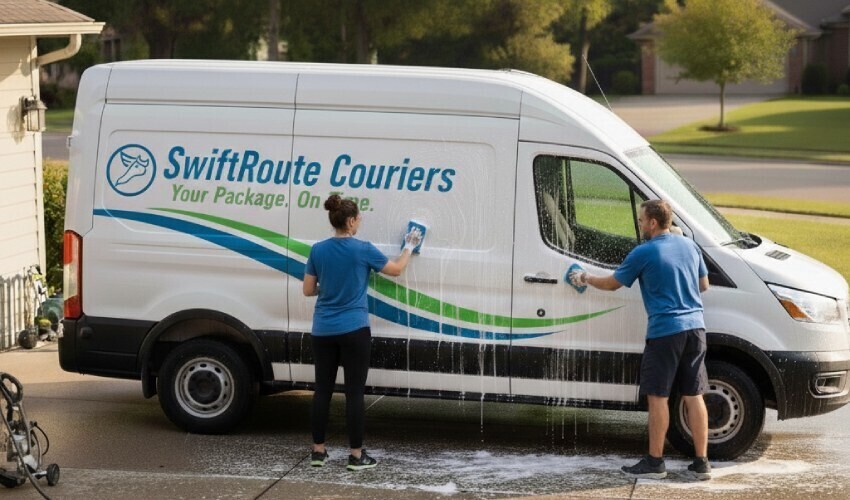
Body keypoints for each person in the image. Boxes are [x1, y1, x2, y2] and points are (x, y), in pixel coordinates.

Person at [569, 199, 711, 480]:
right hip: (696, 329)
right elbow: (704, 285)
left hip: (666, 332)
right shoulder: (690, 246)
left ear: (653, 223)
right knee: (693, 395)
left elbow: (612, 283)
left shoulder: (644, 252)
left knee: (658, 396)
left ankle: (655, 463)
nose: (639, 224)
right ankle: (701, 463)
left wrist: (585, 277)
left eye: (641, 220)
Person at [303, 194, 422, 471]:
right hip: (354, 329)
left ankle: (318, 452)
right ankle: (356, 456)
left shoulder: (317, 250)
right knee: (354, 394)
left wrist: (328, 289)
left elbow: (308, 290)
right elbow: (395, 270)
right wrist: (409, 247)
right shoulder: (362, 249)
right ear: (352, 220)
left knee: (322, 391)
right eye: (359, 219)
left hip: (322, 330)